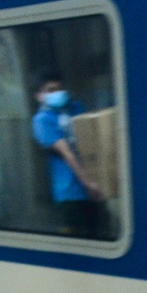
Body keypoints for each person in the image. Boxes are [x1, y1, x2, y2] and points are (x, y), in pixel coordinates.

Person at [29, 71, 103, 237]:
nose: (57, 93)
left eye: (59, 88)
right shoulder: (42, 120)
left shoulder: (75, 108)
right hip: (69, 194)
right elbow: (67, 153)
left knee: (98, 235)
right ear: (39, 96)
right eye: (50, 90)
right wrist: (89, 184)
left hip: (94, 186)